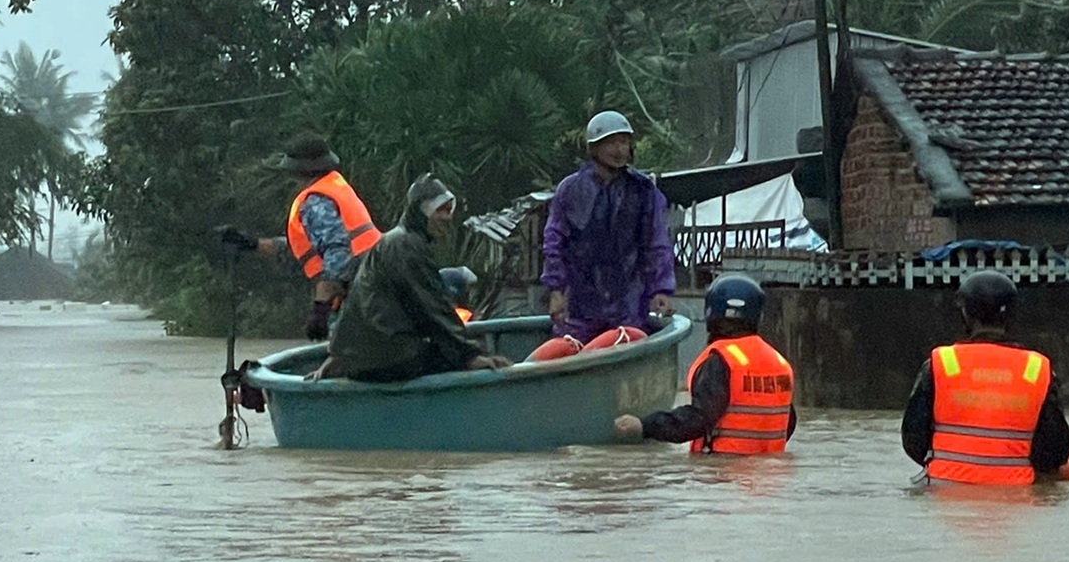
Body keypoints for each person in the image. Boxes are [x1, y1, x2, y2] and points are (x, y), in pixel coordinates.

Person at [319, 174, 511, 382]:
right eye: (440, 210)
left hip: (361, 360)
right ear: (421, 212)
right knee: (481, 362)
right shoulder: (408, 246)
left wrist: (339, 352)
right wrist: (470, 355)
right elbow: (432, 307)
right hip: (389, 359)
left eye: (449, 210)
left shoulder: (392, 241)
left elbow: (354, 303)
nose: (447, 218)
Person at [901, 270, 1069, 484]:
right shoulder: (1036, 369)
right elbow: (1055, 449)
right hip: (1016, 494)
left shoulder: (941, 363)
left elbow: (913, 438)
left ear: (966, 314)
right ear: (1011, 315)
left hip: (944, 488)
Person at [218, 133, 382, 341]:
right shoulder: (335, 187)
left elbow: (338, 253)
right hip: (370, 282)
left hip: (361, 293)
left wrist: (320, 308)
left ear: (298, 169)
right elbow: (309, 246)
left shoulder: (315, 201)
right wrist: (253, 244)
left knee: (346, 355)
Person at [613, 275, 796, 452]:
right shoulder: (779, 362)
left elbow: (697, 419)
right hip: (771, 476)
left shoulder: (721, 361)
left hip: (723, 473)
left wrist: (645, 426)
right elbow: (787, 421)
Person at [541, 110, 675, 344]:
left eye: (623, 142)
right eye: (611, 142)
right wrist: (556, 290)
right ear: (594, 148)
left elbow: (656, 242)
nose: (619, 149)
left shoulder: (642, 190)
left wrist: (660, 289)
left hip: (629, 301)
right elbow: (554, 242)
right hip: (580, 302)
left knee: (627, 355)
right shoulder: (571, 190)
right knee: (571, 355)